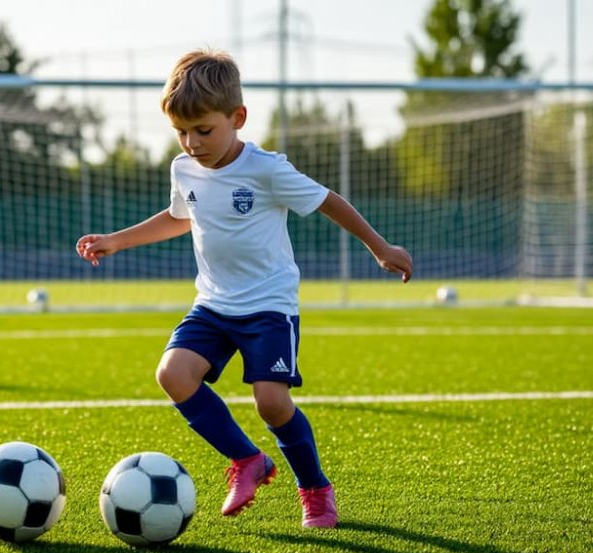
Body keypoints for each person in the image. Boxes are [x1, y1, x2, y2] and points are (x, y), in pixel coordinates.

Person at [76, 48, 412, 528]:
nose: (192, 143)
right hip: (212, 304)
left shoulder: (266, 169)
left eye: (204, 130)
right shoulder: (184, 168)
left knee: (272, 403)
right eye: (181, 132)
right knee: (173, 374)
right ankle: (247, 460)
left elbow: (328, 201)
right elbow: (178, 218)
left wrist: (380, 247)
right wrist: (116, 241)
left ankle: (315, 490)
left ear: (238, 117)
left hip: (269, 307)